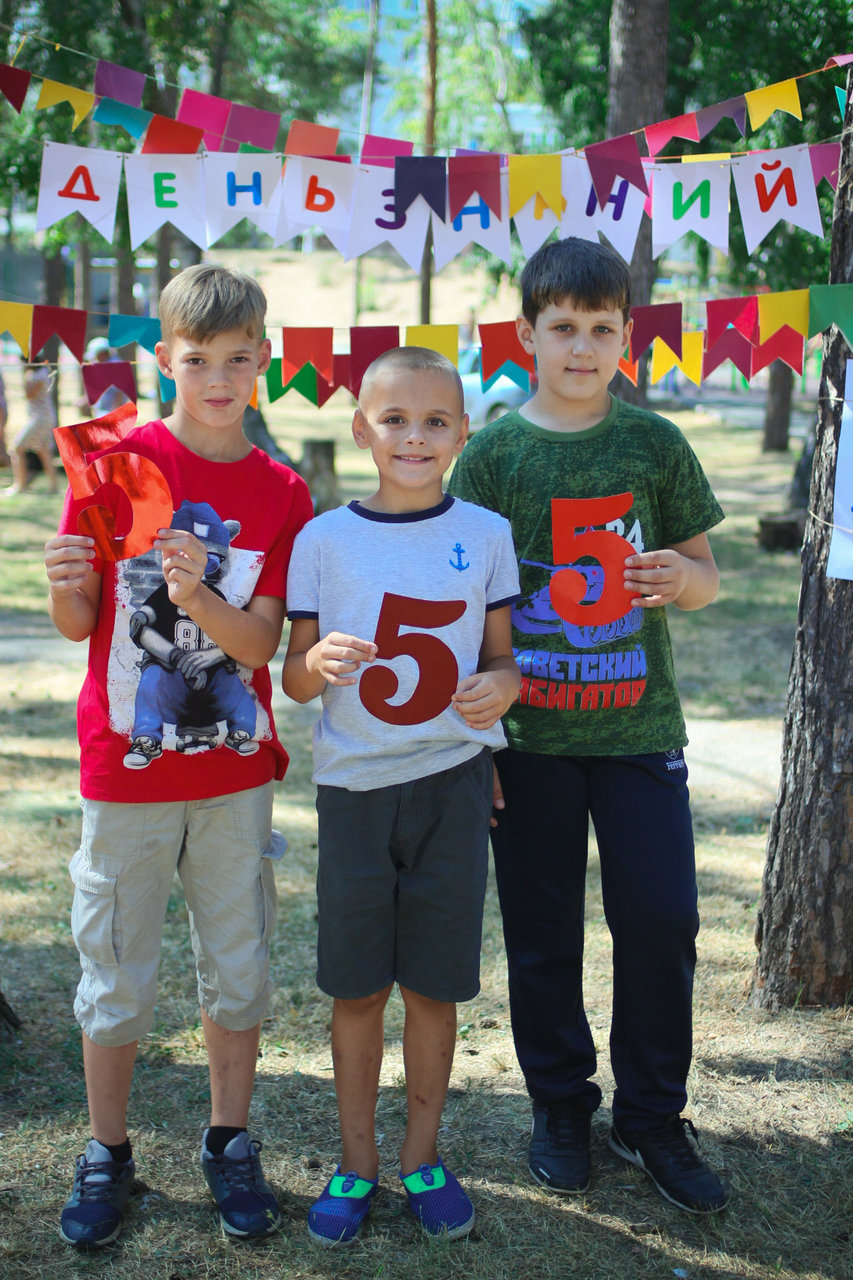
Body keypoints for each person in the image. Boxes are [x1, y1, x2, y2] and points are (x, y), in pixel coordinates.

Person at [447, 237, 729, 1215]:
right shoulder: (493, 453)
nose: (580, 347)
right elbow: (465, 609)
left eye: (600, 329)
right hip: (529, 742)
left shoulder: (654, 443)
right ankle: (560, 1103)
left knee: (661, 919)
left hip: (639, 732)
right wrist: (478, 744)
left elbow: (704, 575)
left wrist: (679, 577)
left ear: (625, 337)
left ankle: (650, 1116)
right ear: (525, 334)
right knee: (541, 931)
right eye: (561, 327)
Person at [43, 263, 313, 1249]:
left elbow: (260, 645)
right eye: (197, 359)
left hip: (233, 777)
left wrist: (197, 595)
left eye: (238, 359)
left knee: (237, 967)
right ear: (164, 358)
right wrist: (62, 578)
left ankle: (229, 1139)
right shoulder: (115, 463)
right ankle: (106, 1149)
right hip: (126, 772)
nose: (218, 378)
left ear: (263, 361)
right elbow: (79, 620)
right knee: (116, 967)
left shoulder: (282, 491)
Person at [282, 346, 521, 1246]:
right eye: (394, 420)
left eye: (433, 422)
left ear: (461, 434)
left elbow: (501, 660)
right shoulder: (321, 539)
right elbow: (294, 679)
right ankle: (357, 1162)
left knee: (432, 987)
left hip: (452, 788)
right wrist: (315, 661)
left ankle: (423, 1155)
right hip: (353, 793)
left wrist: (505, 687)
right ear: (361, 430)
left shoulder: (487, 534)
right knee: (355, 990)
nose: (413, 437)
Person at [3, 354, 59, 496]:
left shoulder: (38, 375)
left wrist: (24, 376)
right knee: (44, 451)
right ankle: (54, 487)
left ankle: (19, 485)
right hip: (43, 418)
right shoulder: (41, 373)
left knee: (16, 448)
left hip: (40, 419)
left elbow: (29, 394)